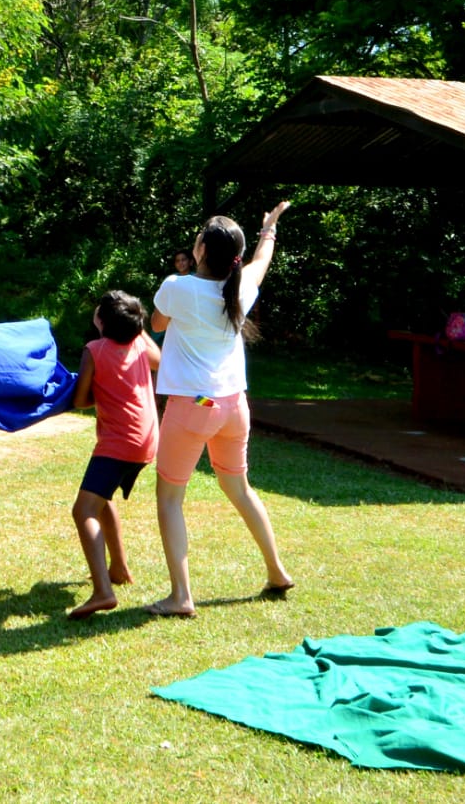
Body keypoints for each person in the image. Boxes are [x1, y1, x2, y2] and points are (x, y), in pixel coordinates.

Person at [145, 202, 295, 618]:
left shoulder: (177, 286)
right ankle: (276, 571)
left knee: (170, 499)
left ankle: (180, 597)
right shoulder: (242, 286)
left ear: (200, 250)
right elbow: (262, 259)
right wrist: (269, 229)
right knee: (241, 489)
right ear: (235, 257)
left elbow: (156, 324)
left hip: (197, 403)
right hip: (232, 405)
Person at [68, 291, 160, 620]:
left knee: (83, 510)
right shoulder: (140, 345)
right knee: (101, 498)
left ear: (101, 320)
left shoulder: (94, 350)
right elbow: (159, 360)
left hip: (119, 442)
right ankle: (118, 568)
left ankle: (102, 591)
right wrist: (138, 328)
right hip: (147, 440)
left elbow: (79, 400)